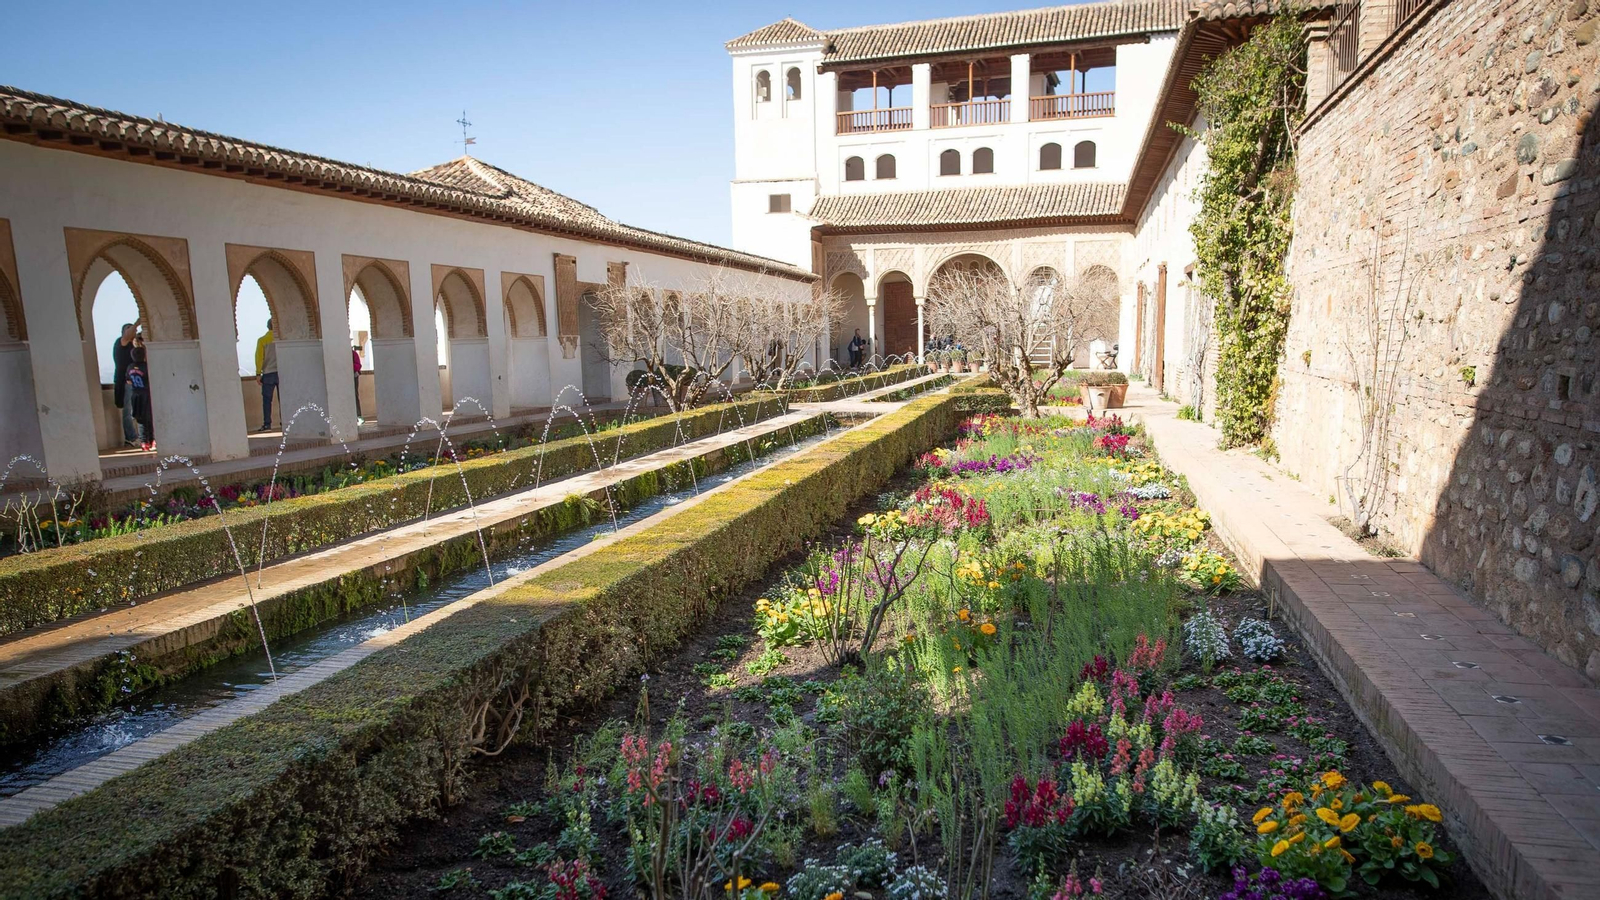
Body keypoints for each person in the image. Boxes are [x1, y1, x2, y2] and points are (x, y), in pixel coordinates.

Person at [110, 322, 138, 447]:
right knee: (128, 411)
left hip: (135, 382)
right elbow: (128, 335)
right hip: (125, 382)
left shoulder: (134, 345)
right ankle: (131, 437)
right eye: (129, 329)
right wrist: (138, 322)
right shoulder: (121, 342)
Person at [127, 339, 154, 452]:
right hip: (146, 395)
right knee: (150, 419)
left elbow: (128, 381)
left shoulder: (130, 367)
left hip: (136, 395)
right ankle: (152, 440)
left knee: (140, 420)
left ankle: (144, 442)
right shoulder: (146, 367)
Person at [254, 319, 278, 432]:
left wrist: (258, 373)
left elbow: (259, 358)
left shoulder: (263, 340)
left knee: (267, 400)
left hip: (268, 373)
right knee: (282, 399)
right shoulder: (280, 340)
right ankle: (286, 422)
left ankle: (267, 424)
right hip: (281, 373)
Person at [352, 345, 364, 421]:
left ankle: (358, 415)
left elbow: (358, 365)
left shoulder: (353, 354)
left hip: (353, 377)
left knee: (354, 395)